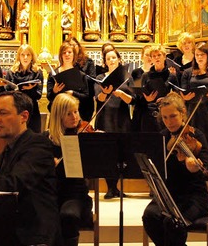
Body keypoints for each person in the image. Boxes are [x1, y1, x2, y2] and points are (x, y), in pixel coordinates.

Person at [0, 91, 61, 246]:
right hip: (11, 233)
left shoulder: (38, 145)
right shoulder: (0, 158)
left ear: (24, 116)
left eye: (3, 113)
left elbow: (13, 184)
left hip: (35, 237)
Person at [142, 92, 208, 246]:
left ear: (183, 114)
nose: (169, 122)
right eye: (165, 117)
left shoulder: (197, 136)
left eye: (173, 116)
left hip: (195, 197)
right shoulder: (162, 137)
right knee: (149, 216)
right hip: (169, 196)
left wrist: (194, 168)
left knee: (172, 222)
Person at [47, 93, 94, 246]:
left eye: (76, 112)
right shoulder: (46, 140)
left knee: (68, 216)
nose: (74, 116)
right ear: (58, 116)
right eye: (69, 113)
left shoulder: (84, 137)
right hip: (51, 195)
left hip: (76, 196)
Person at [94, 47, 133, 199]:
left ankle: (117, 186)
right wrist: (106, 92)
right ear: (105, 62)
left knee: (121, 153)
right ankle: (110, 187)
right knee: (107, 153)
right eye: (108, 58)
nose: (111, 60)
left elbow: (132, 100)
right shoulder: (100, 77)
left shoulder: (127, 77)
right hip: (105, 117)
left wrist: (121, 94)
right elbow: (99, 99)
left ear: (119, 59)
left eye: (114, 57)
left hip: (121, 117)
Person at [179, 42, 208, 164]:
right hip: (193, 112)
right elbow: (183, 92)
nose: (199, 57)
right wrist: (185, 97)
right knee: (191, 146)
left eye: (202, 54)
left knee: (206, 146)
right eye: (197, 55)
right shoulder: (188, 72)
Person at [134, 45, 177, 133]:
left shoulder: (171, 74)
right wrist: (147, 99)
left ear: (164, 56)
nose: (157, 58)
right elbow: (140, 98)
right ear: (151, 59)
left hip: (166, 113)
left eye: (159, 55)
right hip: (149, 113)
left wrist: (167, 99)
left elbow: (177, 94)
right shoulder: (146, 75)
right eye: (154, 56)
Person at [2, 44, 44, 133]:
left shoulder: (37, 72)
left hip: (32, 110)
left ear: (32, 57)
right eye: (22, 54)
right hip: (15, 109)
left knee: (33, 139)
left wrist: (31, 89)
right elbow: (7, 92)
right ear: (19, 56)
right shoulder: (11, 72)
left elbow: (38, 95)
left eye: (28, 55)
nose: (25, 57)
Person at [46, 42, 89, 122]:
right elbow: (49, 97)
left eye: (69, 52)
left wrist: (72, 93)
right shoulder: (53, 74)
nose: (67, 54)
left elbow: (86, 96)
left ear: (74, 55)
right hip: (58, 114)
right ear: (61, 56)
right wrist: (55, 91)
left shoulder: (81, 74)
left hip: (75, 115)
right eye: (64, 53)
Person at [69, 37, 96, 121]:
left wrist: (78, 77)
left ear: (78, 46)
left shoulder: (88, 62)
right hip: (70, 100)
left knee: (84, 128)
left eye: (74, 45)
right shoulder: (66, 62)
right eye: (70, 45)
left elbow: (92, 79)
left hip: (85, 101)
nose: (72, 47)